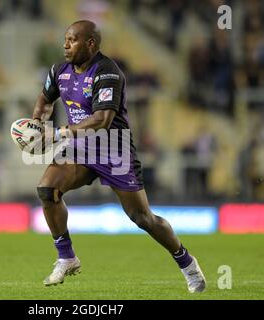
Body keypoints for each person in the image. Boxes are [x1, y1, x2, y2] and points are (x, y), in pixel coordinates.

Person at [29, 20, 206, 292]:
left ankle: (187, 263)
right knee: (47, 189)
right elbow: (44, 99)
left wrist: (57, 133)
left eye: (72, 40)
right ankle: (66, 257)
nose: (65, 45)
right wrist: (37, 125)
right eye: (65, 39)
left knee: (142, 217)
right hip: (79, 148)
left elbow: (102, 120)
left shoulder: (107, 72)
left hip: (114, 148)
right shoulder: (58, 71)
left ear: (90, 43)